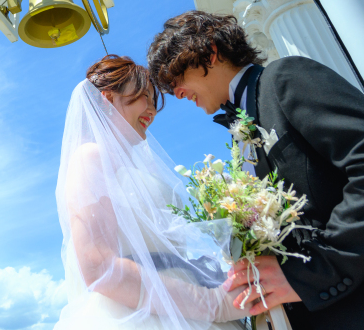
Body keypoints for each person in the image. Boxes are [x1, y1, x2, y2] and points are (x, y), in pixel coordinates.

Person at [146, 11, 364, 329]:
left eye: (176, 78)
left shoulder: (284, 78)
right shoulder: (239, 130)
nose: (177, 93)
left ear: (210, 52)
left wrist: (316, 271)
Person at [54, 54, 250, 330]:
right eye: (143, 96)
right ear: (108, 100)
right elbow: (99, 266)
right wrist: (211, 303)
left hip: (179, 300)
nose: (152, 110)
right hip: (141, 313)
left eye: (154, 101)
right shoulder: (91, 157)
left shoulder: (137, 166)